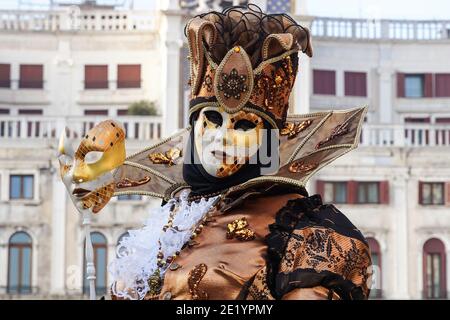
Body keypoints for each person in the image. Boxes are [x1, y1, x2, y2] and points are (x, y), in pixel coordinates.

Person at [58, 5, 372, 300]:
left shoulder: (307, 231)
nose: (223, 137)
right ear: (194, 127)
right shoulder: (170, 219)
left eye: (245, 126)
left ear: (267, 139)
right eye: (212, 120)